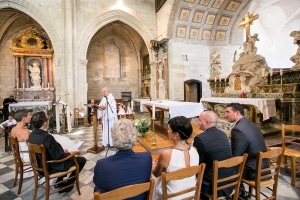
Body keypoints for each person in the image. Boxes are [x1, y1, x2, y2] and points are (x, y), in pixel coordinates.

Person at [28, 111, 86, 193]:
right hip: (50, 167)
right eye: (47, 119)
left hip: (39, 166)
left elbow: (52, 151)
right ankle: (67, 186)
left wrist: (62, 150)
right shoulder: (47, 137)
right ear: (44, 123)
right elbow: (58, 157)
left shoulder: (32, 135)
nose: (48, 121)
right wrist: (71, 153)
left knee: (65, 155)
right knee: (81, 160)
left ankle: (59, 183)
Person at [93, 118, 152, 200]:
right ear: (134, 136)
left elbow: (98, 185)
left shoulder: (102, 165)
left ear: (113, 138)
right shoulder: (146, 158)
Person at [225, 103, 269, 199]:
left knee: (224, 167)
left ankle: (239, 194)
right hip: (264, 165)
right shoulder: (250, 123)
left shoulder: (237, 130)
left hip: (253, 170)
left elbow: (235, 156)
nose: (225, 115)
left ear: (237, 113)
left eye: (228, 112)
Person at [152, 116, 199, 200]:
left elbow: (156, 173)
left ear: (176, 134)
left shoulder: (167, 154)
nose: (167, 131)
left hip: (172, 196)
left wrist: (152, 165)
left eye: (169, 129)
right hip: (190, 194)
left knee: (152, 178)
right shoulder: (194, 150)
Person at [193, 110, 234, 199]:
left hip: (213, 185)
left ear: (207, 122)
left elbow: (197, 163)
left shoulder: (200, 139)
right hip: (230, 181)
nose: (197, 122)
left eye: (199, 120)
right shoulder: (223, 134)